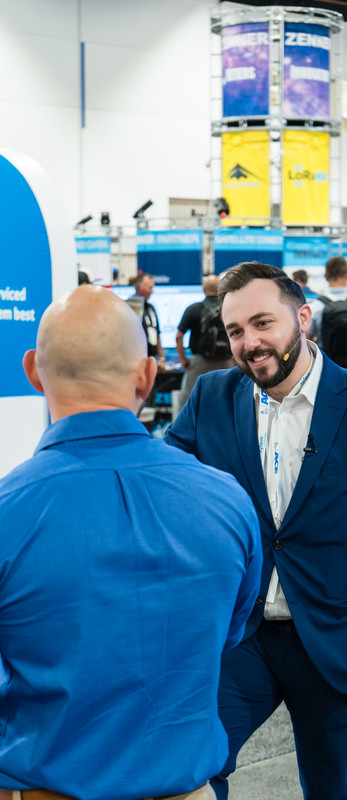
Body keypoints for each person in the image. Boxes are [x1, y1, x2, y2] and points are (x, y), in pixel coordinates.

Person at [165, 261, 347, 800]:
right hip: (242, 639)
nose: (250, 343)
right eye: (237, 330)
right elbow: (164, 490)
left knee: (334, 788)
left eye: (263, 323)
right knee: (189, 769)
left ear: (303, 318)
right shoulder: (211, 398)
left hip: (339, 642)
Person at [0, 286, 262, 800]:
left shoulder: (9, 512)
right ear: (147, 375)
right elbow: (229, 633)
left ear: (33, 371)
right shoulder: (227, 501)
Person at [176, 274, 234, 406]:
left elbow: (179, 336)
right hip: (227, 362)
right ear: (220, 288)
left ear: (203, 289)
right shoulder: (229, 308)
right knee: (227, 398)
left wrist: (183, 359)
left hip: (200, 362)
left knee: (188, 398)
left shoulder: (194, 309)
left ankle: (184, 426)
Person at [133, 271, 166, 372]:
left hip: (151, 360)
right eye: (150, 287)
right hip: (135, 361)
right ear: (140, 288)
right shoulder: (130, 306)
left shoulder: (151, 308)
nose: (152, 291)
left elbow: (157, 335)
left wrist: (162, 359)